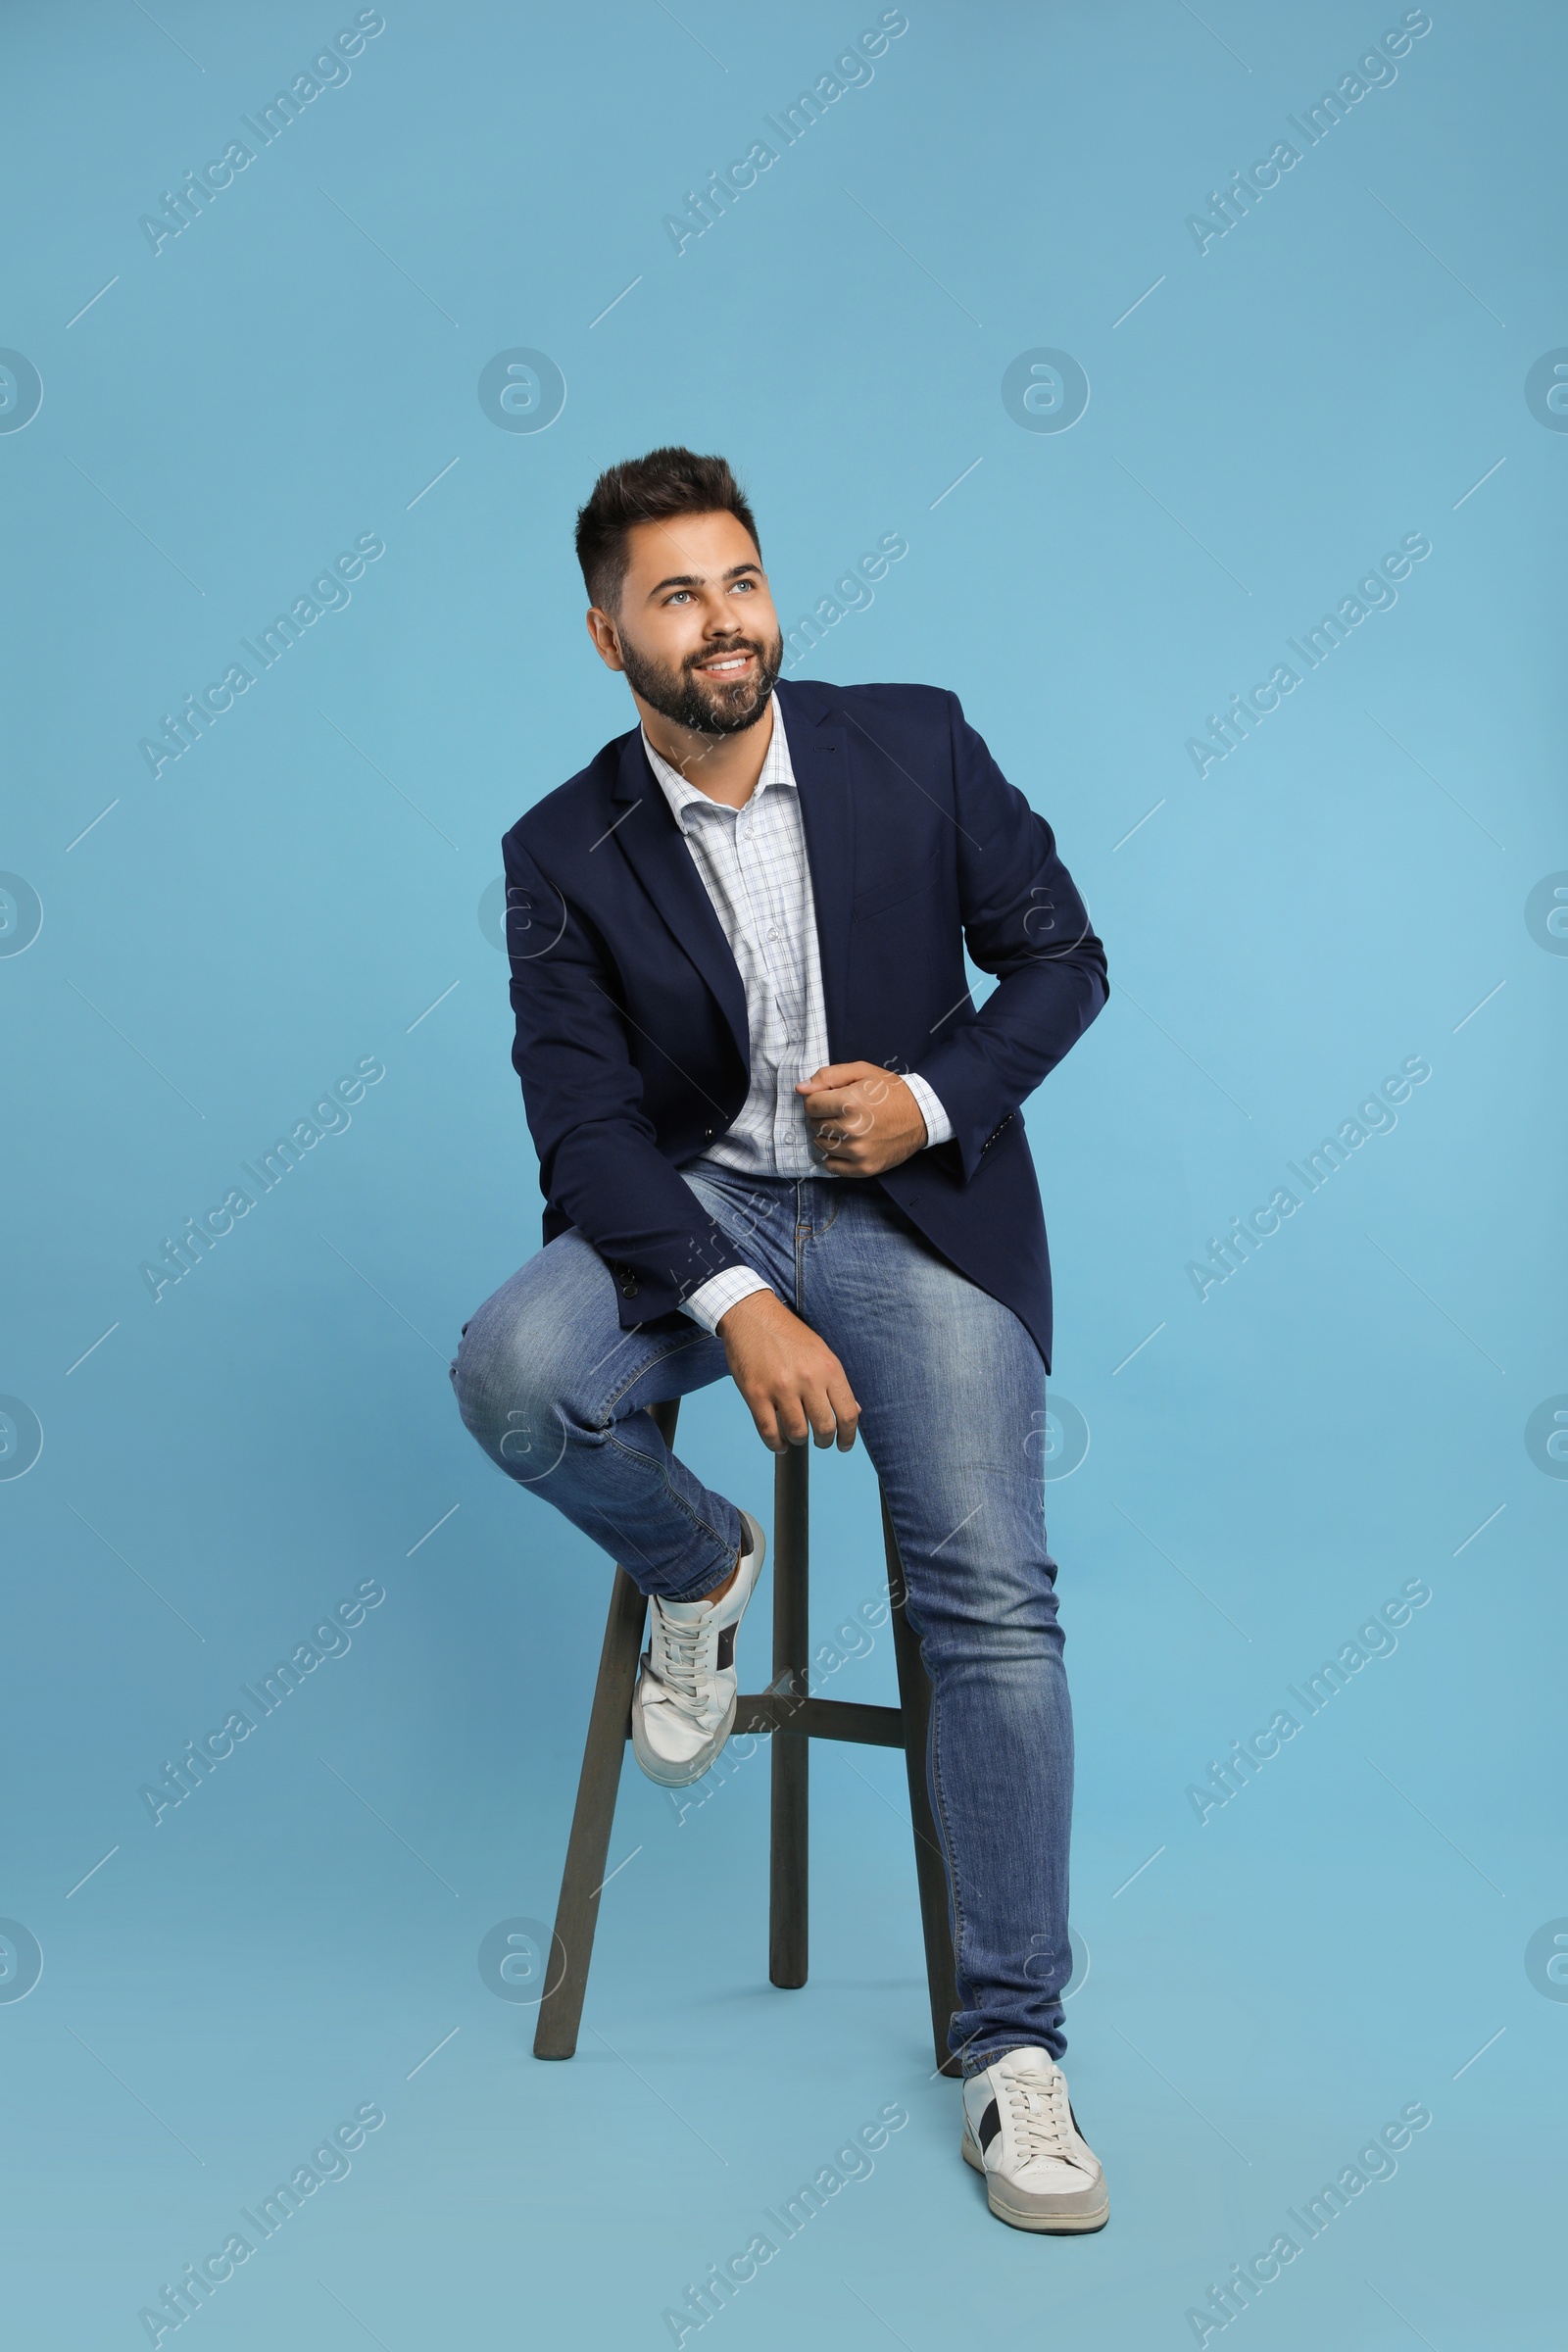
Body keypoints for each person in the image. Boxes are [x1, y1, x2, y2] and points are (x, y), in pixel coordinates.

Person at [451, 446, 1110, 2232]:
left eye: (737, 579)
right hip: (698, 1215)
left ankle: (1014, 2056)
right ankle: (700, 1565)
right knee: (516, 1380)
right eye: (675, 594)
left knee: (987, 1587)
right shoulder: (557, 852)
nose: (721, 618)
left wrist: (926, 1094)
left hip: (915, 1212)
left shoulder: (914, 743)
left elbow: (1061, 958)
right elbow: (582, 1129)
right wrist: (733, 1305)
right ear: (608, 638)